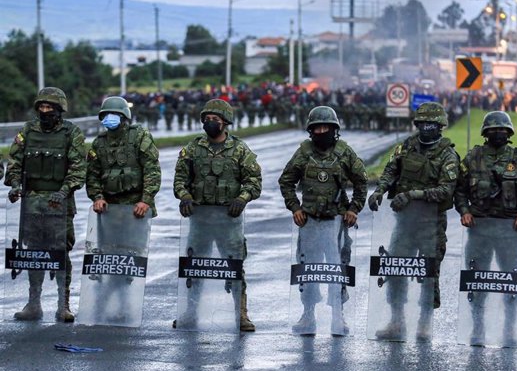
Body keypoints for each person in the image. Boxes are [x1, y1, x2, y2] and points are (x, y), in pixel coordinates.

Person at [368, 102, 459, 340]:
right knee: (395, 269)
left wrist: (411, 195)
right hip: (404, 223)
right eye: (422, 123)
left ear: (440, 126)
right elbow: (390, 170)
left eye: (431, 124)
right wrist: (380, 190)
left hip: (431, 224)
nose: (426, 128)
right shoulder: (407, 147)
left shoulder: (448, 154)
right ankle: (396, 322)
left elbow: (445, 190)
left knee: (429, 274)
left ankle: (424, 324)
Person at [173, 99, 262, 332]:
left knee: (234, 268)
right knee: (195, 267)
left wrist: (242, 198)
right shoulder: (192, 149)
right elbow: (180, 180)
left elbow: (254, 182)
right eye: (207, 119)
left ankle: (241, 314)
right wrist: (184, 196)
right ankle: (190, 312)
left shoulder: (240, 150)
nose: (210, 123)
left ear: (225, 122)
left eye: (215, 119)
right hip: (200, 221)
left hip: (229, 222)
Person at [278, 106, 368, 335]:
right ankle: (308, 316)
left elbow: (361, 182)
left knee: (338, 270)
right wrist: (295, 207)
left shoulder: (345, 152)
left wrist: (354, 209)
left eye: (325, 127)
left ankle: (339, 316)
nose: (321, 131)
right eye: (316, 127)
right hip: (309, 223)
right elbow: (286, 181)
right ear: (310, 130)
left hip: (336, 222)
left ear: (334, 129)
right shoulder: (304, 152)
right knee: (309, 270)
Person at [454, 111, 517, 345]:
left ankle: (510, 329)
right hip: (479, 229)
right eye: (492, 130)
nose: (497, 133)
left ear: (509, 133)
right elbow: (459, 189)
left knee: (510, 282)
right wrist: (464, 211)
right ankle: (477, 328)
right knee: (477, 281)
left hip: (510, 231)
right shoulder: (473, 158)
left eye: (501, 130)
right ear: (485, 133)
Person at [4, 87, 86, 322]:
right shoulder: (27, 131)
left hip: (59, 205)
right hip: (31, 204)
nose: (44, 111)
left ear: (59, 109)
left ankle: (63, 304)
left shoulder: (72, 133)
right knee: (34, 254)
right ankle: (33, 303)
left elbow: (78, 168)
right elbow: (15, 163)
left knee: (60, 252)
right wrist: (15, 185)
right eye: (41, 107)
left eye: (49, 107)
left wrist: (63, 191)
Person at [87, 96, 161, 218]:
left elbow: (152, 170)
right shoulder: (98, 143)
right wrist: (97, 198)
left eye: (114, 114)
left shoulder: (139, 136)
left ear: (124, 116)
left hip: (137, 206)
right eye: (107, 114)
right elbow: (92, 175)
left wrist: (145, 200)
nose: (110, 117)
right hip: (109, 207)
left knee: (135, 237)